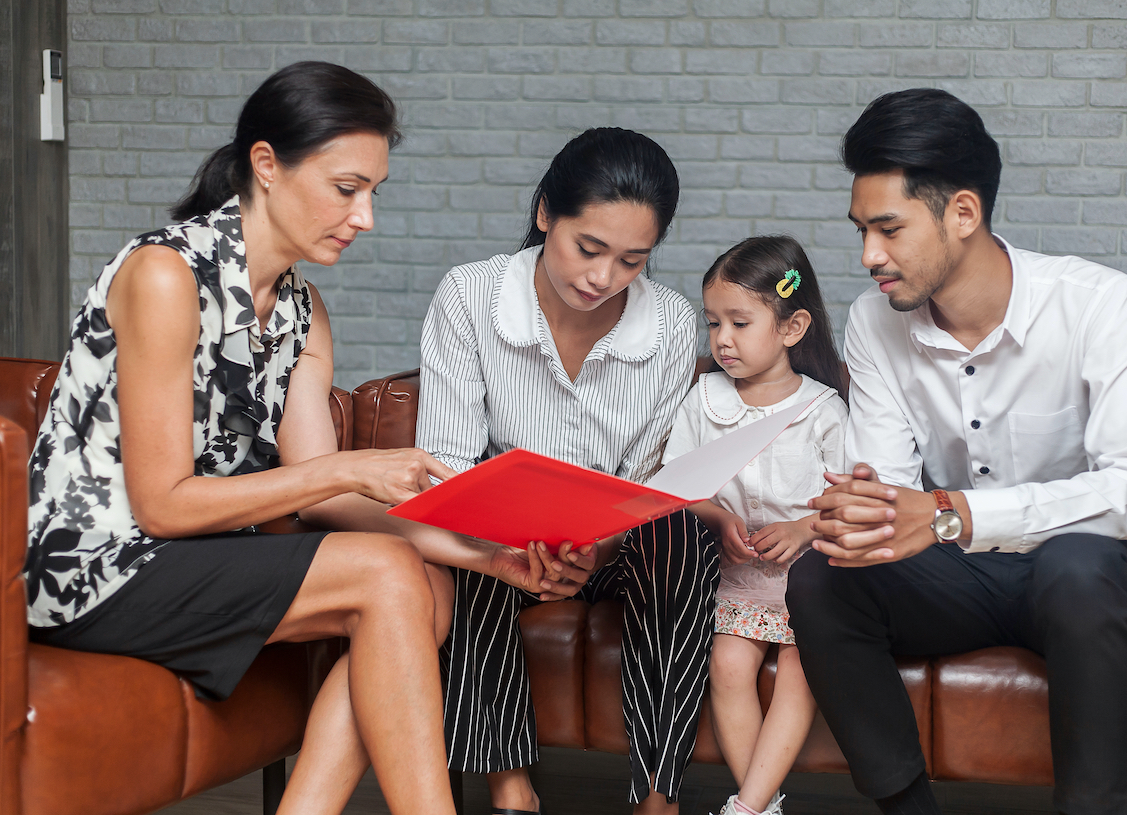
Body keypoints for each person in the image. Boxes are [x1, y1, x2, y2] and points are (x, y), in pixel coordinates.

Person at [22, 61, 553, 815]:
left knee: (426, 582)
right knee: (390, 576)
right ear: (266, 166)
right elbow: (163, 506)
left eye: (374, 192)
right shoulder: (165, 276)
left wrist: (484, 554)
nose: (364, 216)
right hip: (96, 569)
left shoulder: (304, 310)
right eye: (347, 188)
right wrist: (354, 467)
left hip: (193, 557)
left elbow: (323, 496)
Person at [787, 88, 1127, 815]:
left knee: (1075, 564)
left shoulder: (1099, 303)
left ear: (962, 213)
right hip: (963, 576)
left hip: (1092, 572)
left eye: (889, 229)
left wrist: (947, 513)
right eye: (860, 230)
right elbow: (891, 494)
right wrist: (860, 511)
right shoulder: (876, 323)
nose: (870, 255)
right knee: (823, 578)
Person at [414, 127, 721, 815]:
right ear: (546, 211)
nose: (603, 277)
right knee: (469, 547)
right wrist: (511, 545)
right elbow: (448, 467)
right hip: (499, 543)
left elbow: (649, 480)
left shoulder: (670, 323)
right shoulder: (470, 296)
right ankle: (511, 791)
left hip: (608, 547)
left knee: (682, 538)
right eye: (590, 247)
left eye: (632, 260)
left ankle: (657, 795)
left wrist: (599, 545)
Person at [661, 236, 847, 815]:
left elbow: (847, 498)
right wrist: (717, 517)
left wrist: (803, 529)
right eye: (712, 322)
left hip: (807, 579)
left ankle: (748, 805)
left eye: (740, 323)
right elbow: (677, 482)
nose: (721, 340)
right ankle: (760, 806)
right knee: (727, 664)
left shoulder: (823, 409)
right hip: (739, 574)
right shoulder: (704, 399)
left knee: (800, 668)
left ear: (792, 328)